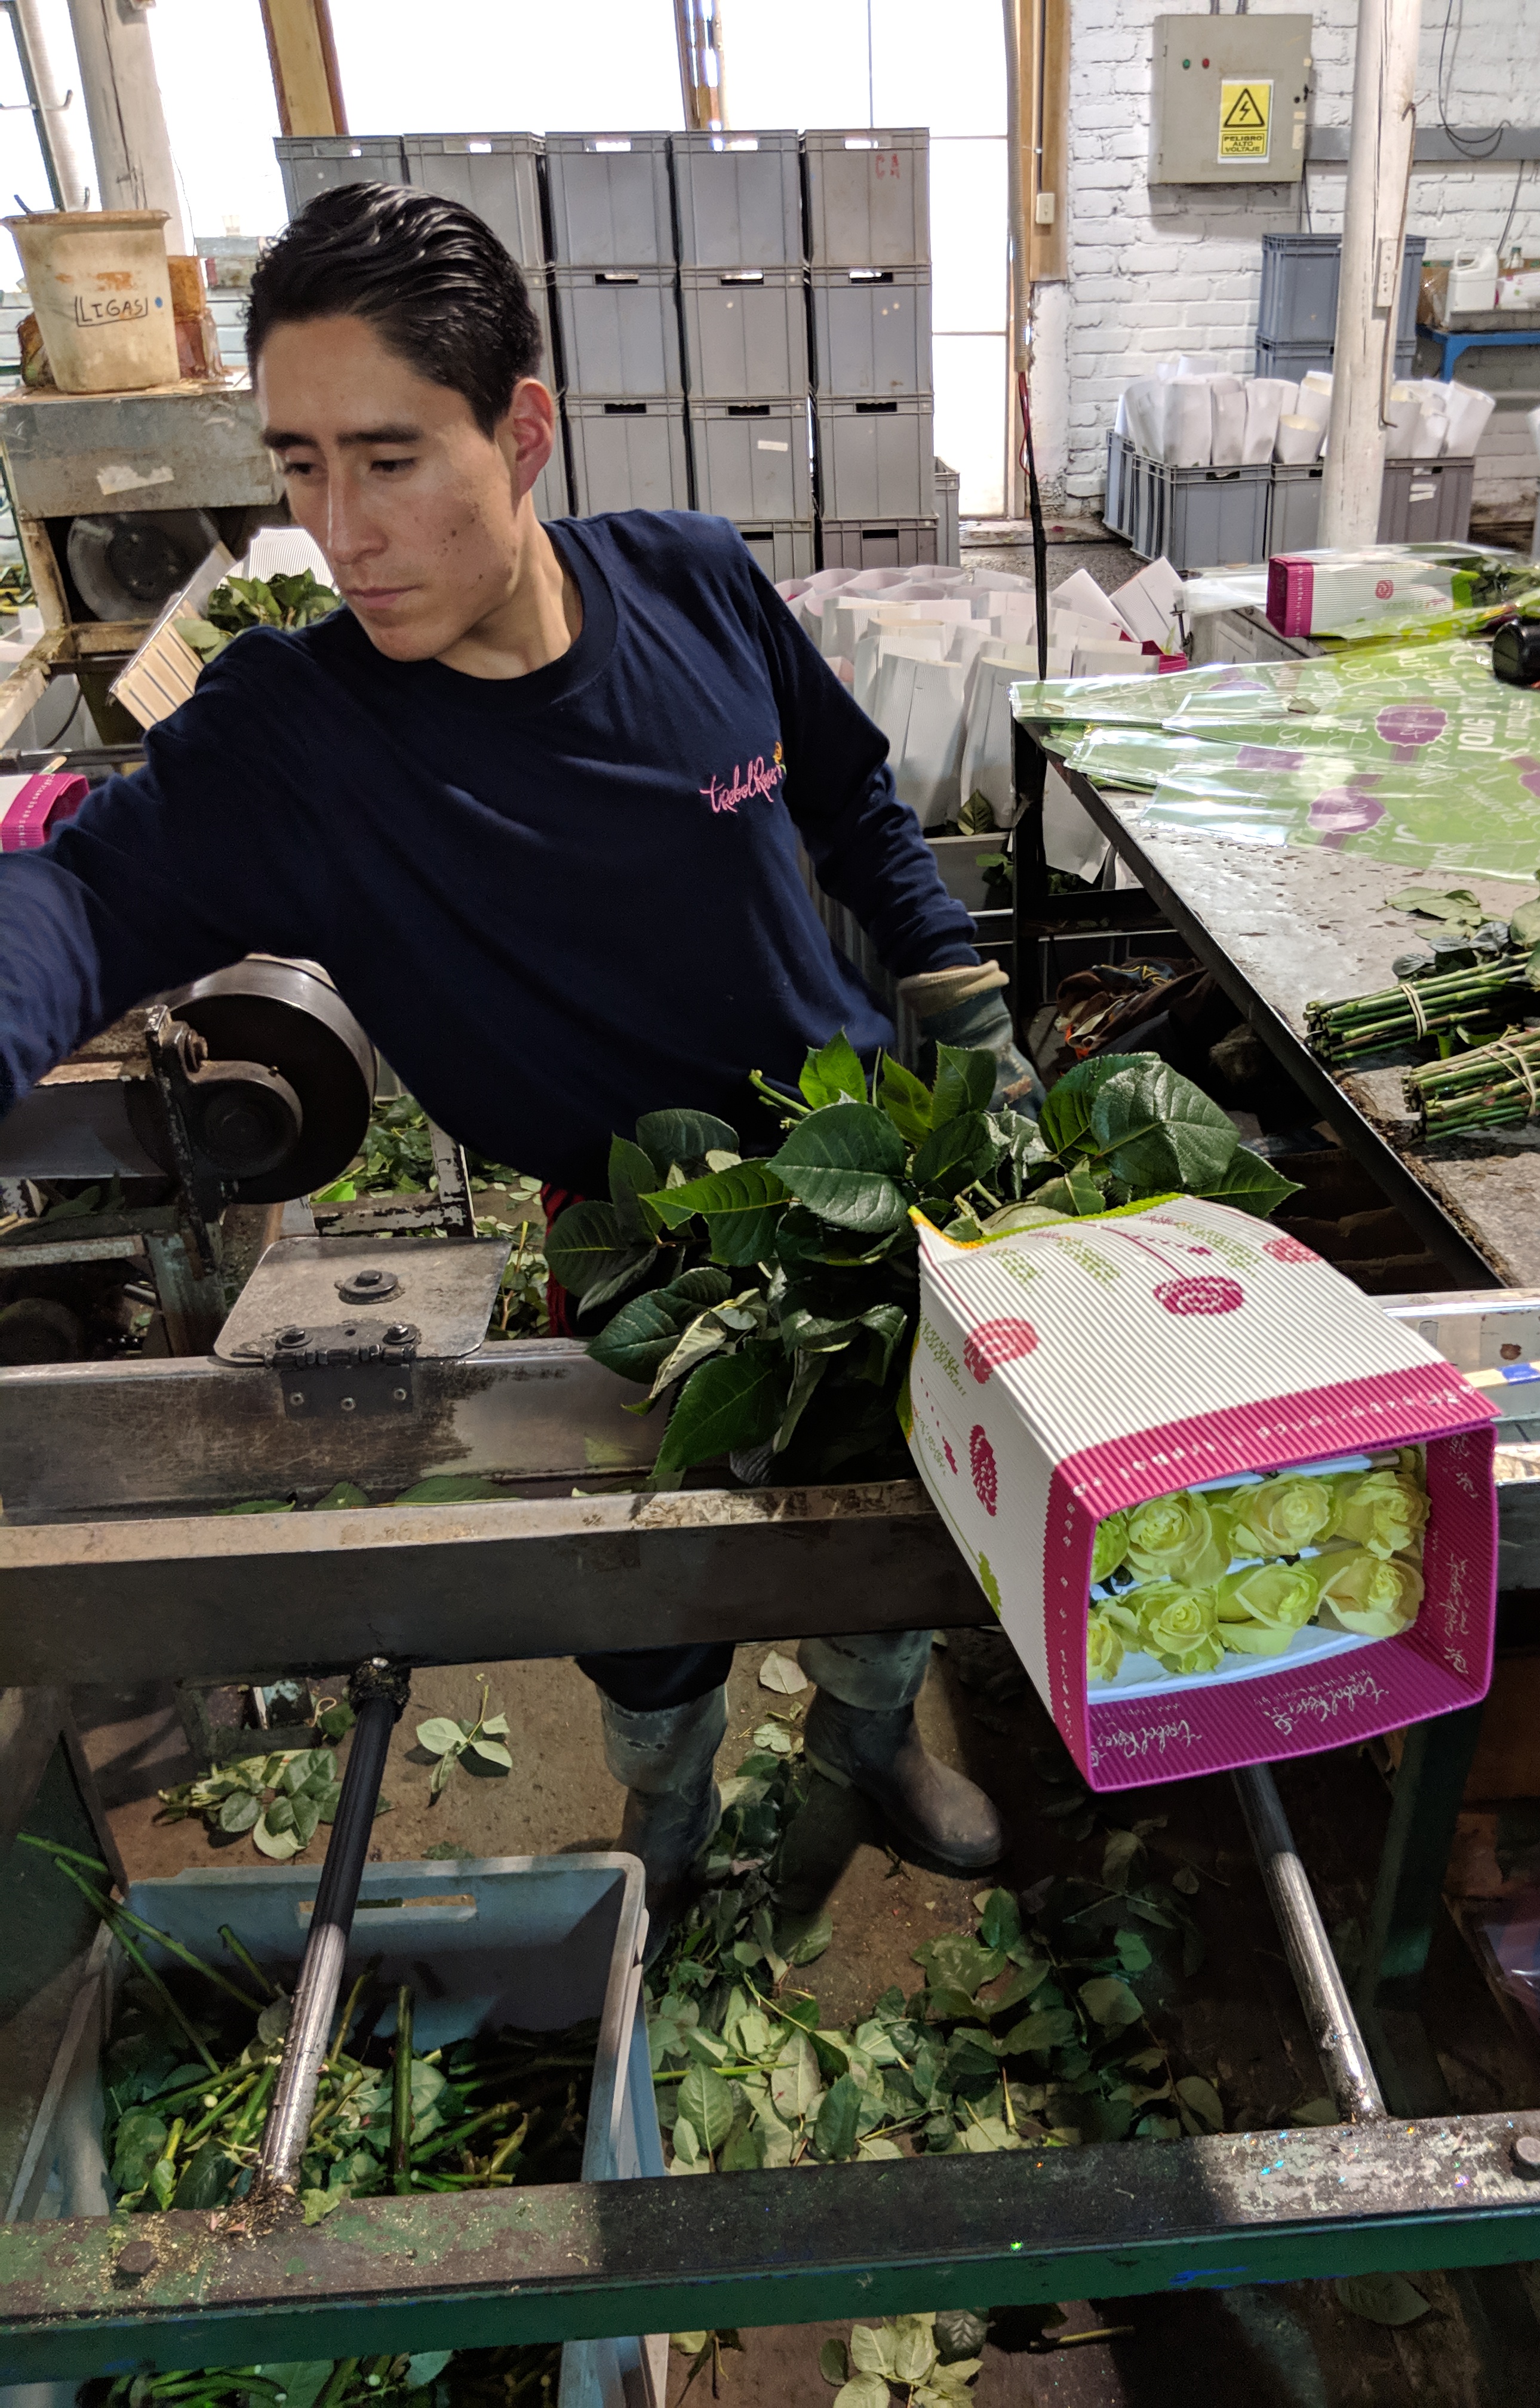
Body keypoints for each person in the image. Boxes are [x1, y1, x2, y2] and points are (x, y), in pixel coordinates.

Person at [0, 182, 1034, 1938]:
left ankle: (871, 1741)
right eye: (301, 466)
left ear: (524, 431)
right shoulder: (301, 735)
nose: (340, 531)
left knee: (887, 1527)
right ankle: (666, 1812)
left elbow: (854, 793)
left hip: (865, 1190)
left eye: (389, 459)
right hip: (632, 1246)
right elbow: (86, 895)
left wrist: (955, 984)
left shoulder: (691, 581)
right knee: (643, 1591)